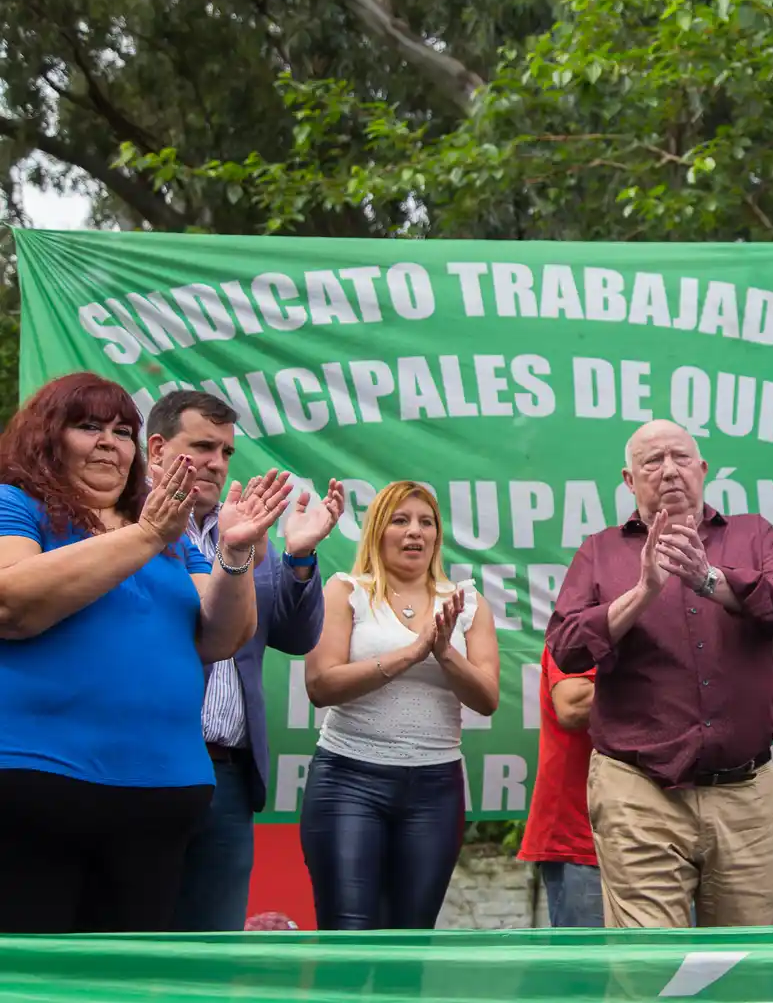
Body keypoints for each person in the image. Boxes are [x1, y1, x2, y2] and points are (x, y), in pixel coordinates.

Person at [0, 372, 288, 933]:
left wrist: (234, 554)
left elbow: (219, 636)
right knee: (37, 979)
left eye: (122, 431)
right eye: (89, 427)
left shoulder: (169, 533)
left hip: (161, 796)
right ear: (46, 437)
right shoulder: (17, 504)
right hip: (40, 789)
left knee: (127, 982)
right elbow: (12, 604)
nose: (110, 442)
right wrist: (147, 535)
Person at [546, 420, 773, 928]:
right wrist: (642, 592)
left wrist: (708, 579)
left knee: (745, 971)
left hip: (744, 792)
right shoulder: (599, 551)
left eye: (680, 458)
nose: (669, 470)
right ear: (628, 479)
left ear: (703, 469)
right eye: (652, 461)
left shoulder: (751, 534)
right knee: (650, 970)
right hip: (639, 792)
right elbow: (567, 647)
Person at [143, 390, 345, 932]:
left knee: (211, 949)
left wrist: (298, 557)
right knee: (135, 940)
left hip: (229, 774)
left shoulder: (245, 530)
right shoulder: (126, 522)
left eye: (227, 451)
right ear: (156, 448)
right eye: (202, 446)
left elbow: (297, 635)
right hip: (142, 764)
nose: (217, 461)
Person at [301, 481, 500, 930]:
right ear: (377, 531)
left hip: (434, 788)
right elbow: (320, 683)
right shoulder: (346, 591)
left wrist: (444, 652)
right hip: (349, 779)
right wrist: (412, 653)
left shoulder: (466, 603)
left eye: (426, 523)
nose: (415, 532)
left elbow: (486, 698)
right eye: (401, 520)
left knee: (410, 939)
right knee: (349, 936)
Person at [518, 647, 603, 927]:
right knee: (587, 968)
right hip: (581, 837)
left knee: (675, 965)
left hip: (672, 833)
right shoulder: (577, 623)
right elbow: (572, 705)